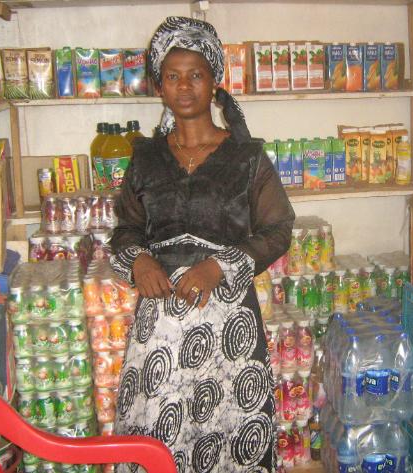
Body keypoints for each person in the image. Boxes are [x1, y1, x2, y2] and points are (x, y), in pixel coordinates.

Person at [109, 17, 295, 473]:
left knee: (227, 437)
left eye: (196, 74)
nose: (184, 86)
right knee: (159, 437)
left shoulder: (248, 157)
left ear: (214, 81)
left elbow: (278, 229)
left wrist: (220, 267)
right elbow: (125, 229)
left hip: (227, 324)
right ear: (160, 86)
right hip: (161, 330)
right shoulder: (145, 157)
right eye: (172, 76)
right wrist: (139, 261)